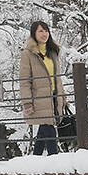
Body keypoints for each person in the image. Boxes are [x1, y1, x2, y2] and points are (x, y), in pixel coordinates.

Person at [18, 20, 67, 156]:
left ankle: (35, 159)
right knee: (48, 127)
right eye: (40, 31)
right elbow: (24, 81)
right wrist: (27, 102)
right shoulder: (28, 54)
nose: (44, 34)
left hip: (53, 97)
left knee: (44, 128)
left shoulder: (53, 52)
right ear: (33, 33)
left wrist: (63, 96)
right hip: (39, 99)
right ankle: (54, 159)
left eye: (46, 31)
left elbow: (57, 77)